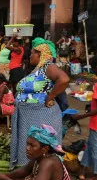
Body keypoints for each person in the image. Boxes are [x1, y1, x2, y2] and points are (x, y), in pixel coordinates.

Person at [10, 38, 69, 168]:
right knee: (31, 146)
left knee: (40, 146)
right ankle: (31, 171)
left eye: (32, 53)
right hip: (29, 117)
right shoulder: (37, 70)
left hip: (41, 115)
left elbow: (64, 80)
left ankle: (43, 174)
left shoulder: (48, 66)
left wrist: (49, 98)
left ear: (40, 54)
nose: (30, 55)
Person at [0, 125, 75, 180]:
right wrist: (6, 175)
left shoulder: (49, 163)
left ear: (44, 149)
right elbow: (24, 170)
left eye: (32, 146)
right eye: (27, 144)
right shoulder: (41, 157)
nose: (27, 148)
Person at [73, 55, 97, 180]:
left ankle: (96, 178)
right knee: (89, 147)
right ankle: (82, 171)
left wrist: (80, 116)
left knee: (96, 150)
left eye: (94, 68)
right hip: (95, 124)